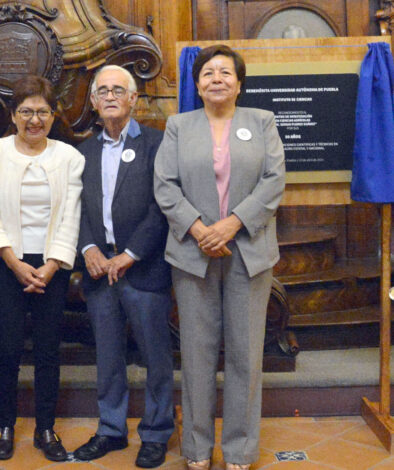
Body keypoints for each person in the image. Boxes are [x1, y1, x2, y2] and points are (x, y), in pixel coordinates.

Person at [153, 45, 285, 470]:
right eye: (208, 72)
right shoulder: (178, 125)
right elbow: (166, 186)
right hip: (194, 254)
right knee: (196, 354)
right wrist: (199, 229)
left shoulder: (261, 122)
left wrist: (231, 225)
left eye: (225, 72)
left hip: (249, 252)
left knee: (246, 355)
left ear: (239, 83)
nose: (216, 79)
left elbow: (273, 181)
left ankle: (240, 450)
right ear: (197, 83)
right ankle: (195, 449)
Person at [0, 74, 84, 463]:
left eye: (42, 112)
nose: (34, 120)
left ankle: (45, 427)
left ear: (53, 116)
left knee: (47, 351)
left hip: (51, 267)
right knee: (6, 349)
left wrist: (52, 265)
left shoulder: (69, 157)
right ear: (14, 114)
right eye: (26, 111)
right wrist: (13, 262)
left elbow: (71, 216)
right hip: (7, 263)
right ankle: (5, 425)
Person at [72, 65, 174, 468]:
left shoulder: (158, 144)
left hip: (142, 268)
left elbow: (161, 208)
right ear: (94, 102)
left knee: (155, 355)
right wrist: (89, 247)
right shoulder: (83, 152)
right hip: (99, 270)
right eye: (103, 91)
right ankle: (111, 430)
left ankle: (156, 432)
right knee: (108, 355)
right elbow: (74, 208)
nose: (111, 96)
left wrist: (130, 254)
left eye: (119, 90)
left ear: (134, 98)